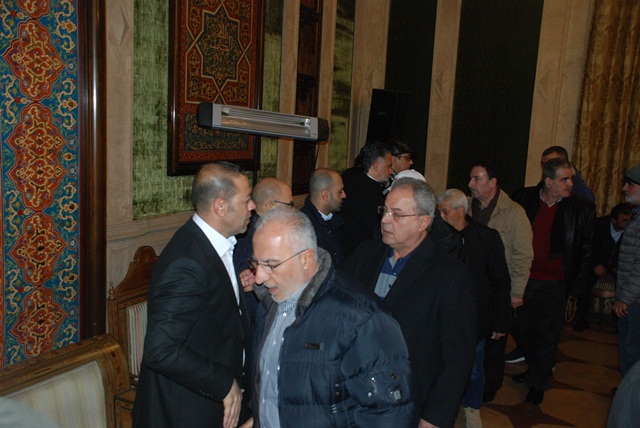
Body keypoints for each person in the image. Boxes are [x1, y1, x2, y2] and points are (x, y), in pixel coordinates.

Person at [247, 208, 414, 427]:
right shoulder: (269, 306)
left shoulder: (361, 319)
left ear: (306, 259)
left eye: (270, 265)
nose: (259, 278)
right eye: (256, 264)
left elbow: (388, 415)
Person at [346, 177, 477, 428]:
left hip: (412, 403)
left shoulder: (449, 275)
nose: (385, 220)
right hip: (357, 398)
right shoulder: (365, 254)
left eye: (397, 214)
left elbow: (457, 358)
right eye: (384, 210)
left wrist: (434, 417)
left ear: (423, 222)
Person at [132, 162, 255, 428]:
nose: (253, 206)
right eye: (246, 200)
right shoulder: (187, 263)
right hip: (186, 411)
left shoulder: (215, 244)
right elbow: (160, 350)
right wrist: (224, 383)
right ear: (220, 207)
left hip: (213, 404)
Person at [510, 158, 595, 405]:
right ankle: (536, 366)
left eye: (571, 179)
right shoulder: (524, 199)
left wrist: (579, 282)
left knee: (547, 335)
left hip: (556, 283)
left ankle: (538, 382)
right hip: (525, 279)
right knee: (519, 327)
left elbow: (587, 249)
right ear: (548, 181)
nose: (570, 184)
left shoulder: (582, 208)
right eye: (564, 179)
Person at [438, 189, 511, 428]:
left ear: (461, 210)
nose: (440, 216)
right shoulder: (435, 237)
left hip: (476, 319)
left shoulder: (486, 238)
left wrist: (501, 321)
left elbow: (500, 282)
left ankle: (472, 407)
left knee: (474, 370)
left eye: (445, 212)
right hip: (444, 317)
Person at [467, 162, 533, 399]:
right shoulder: (465, 207)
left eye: (477, 179)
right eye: (471, 179)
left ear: (493, 182)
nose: (470, 184)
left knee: (494, 343)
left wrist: (516, 293)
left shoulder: (514, 212)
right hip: (470, 287)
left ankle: (489, 387)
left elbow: (522, 255)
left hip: (497, 289)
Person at [233, 177, 293, 317]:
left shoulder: (270, 232)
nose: (292, 210)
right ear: (270, 206)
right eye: (289, 204)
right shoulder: (252, 240)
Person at [575, 202, 634, 331]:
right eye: (624, 220)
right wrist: (595, 264)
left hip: (617, 266)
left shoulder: (633, 230)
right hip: (596, 263)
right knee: (585, 283)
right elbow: (587, 247)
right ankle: (582, 320)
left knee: (628, 286)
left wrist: (619, 267)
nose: (628, 223)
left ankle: (620, 323)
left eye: (629, 220)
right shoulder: (598, 225)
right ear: (614, 220)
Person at [340, 141, 392, 257]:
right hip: (360, 253)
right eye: (389, 166)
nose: (390, 171)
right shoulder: (371, 194)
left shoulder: (348, 177)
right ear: (376, 166)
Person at [614, 163, 640, 377]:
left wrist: (625, 298)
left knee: (631, 352)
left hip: (635, 302)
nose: (624, 188)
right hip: (634, 299)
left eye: (630, 184)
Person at [299, 168, 347, 268]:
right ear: (325, 195)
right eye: (340, 191)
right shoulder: (302, 227)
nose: (344, 195)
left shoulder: (335, 220)